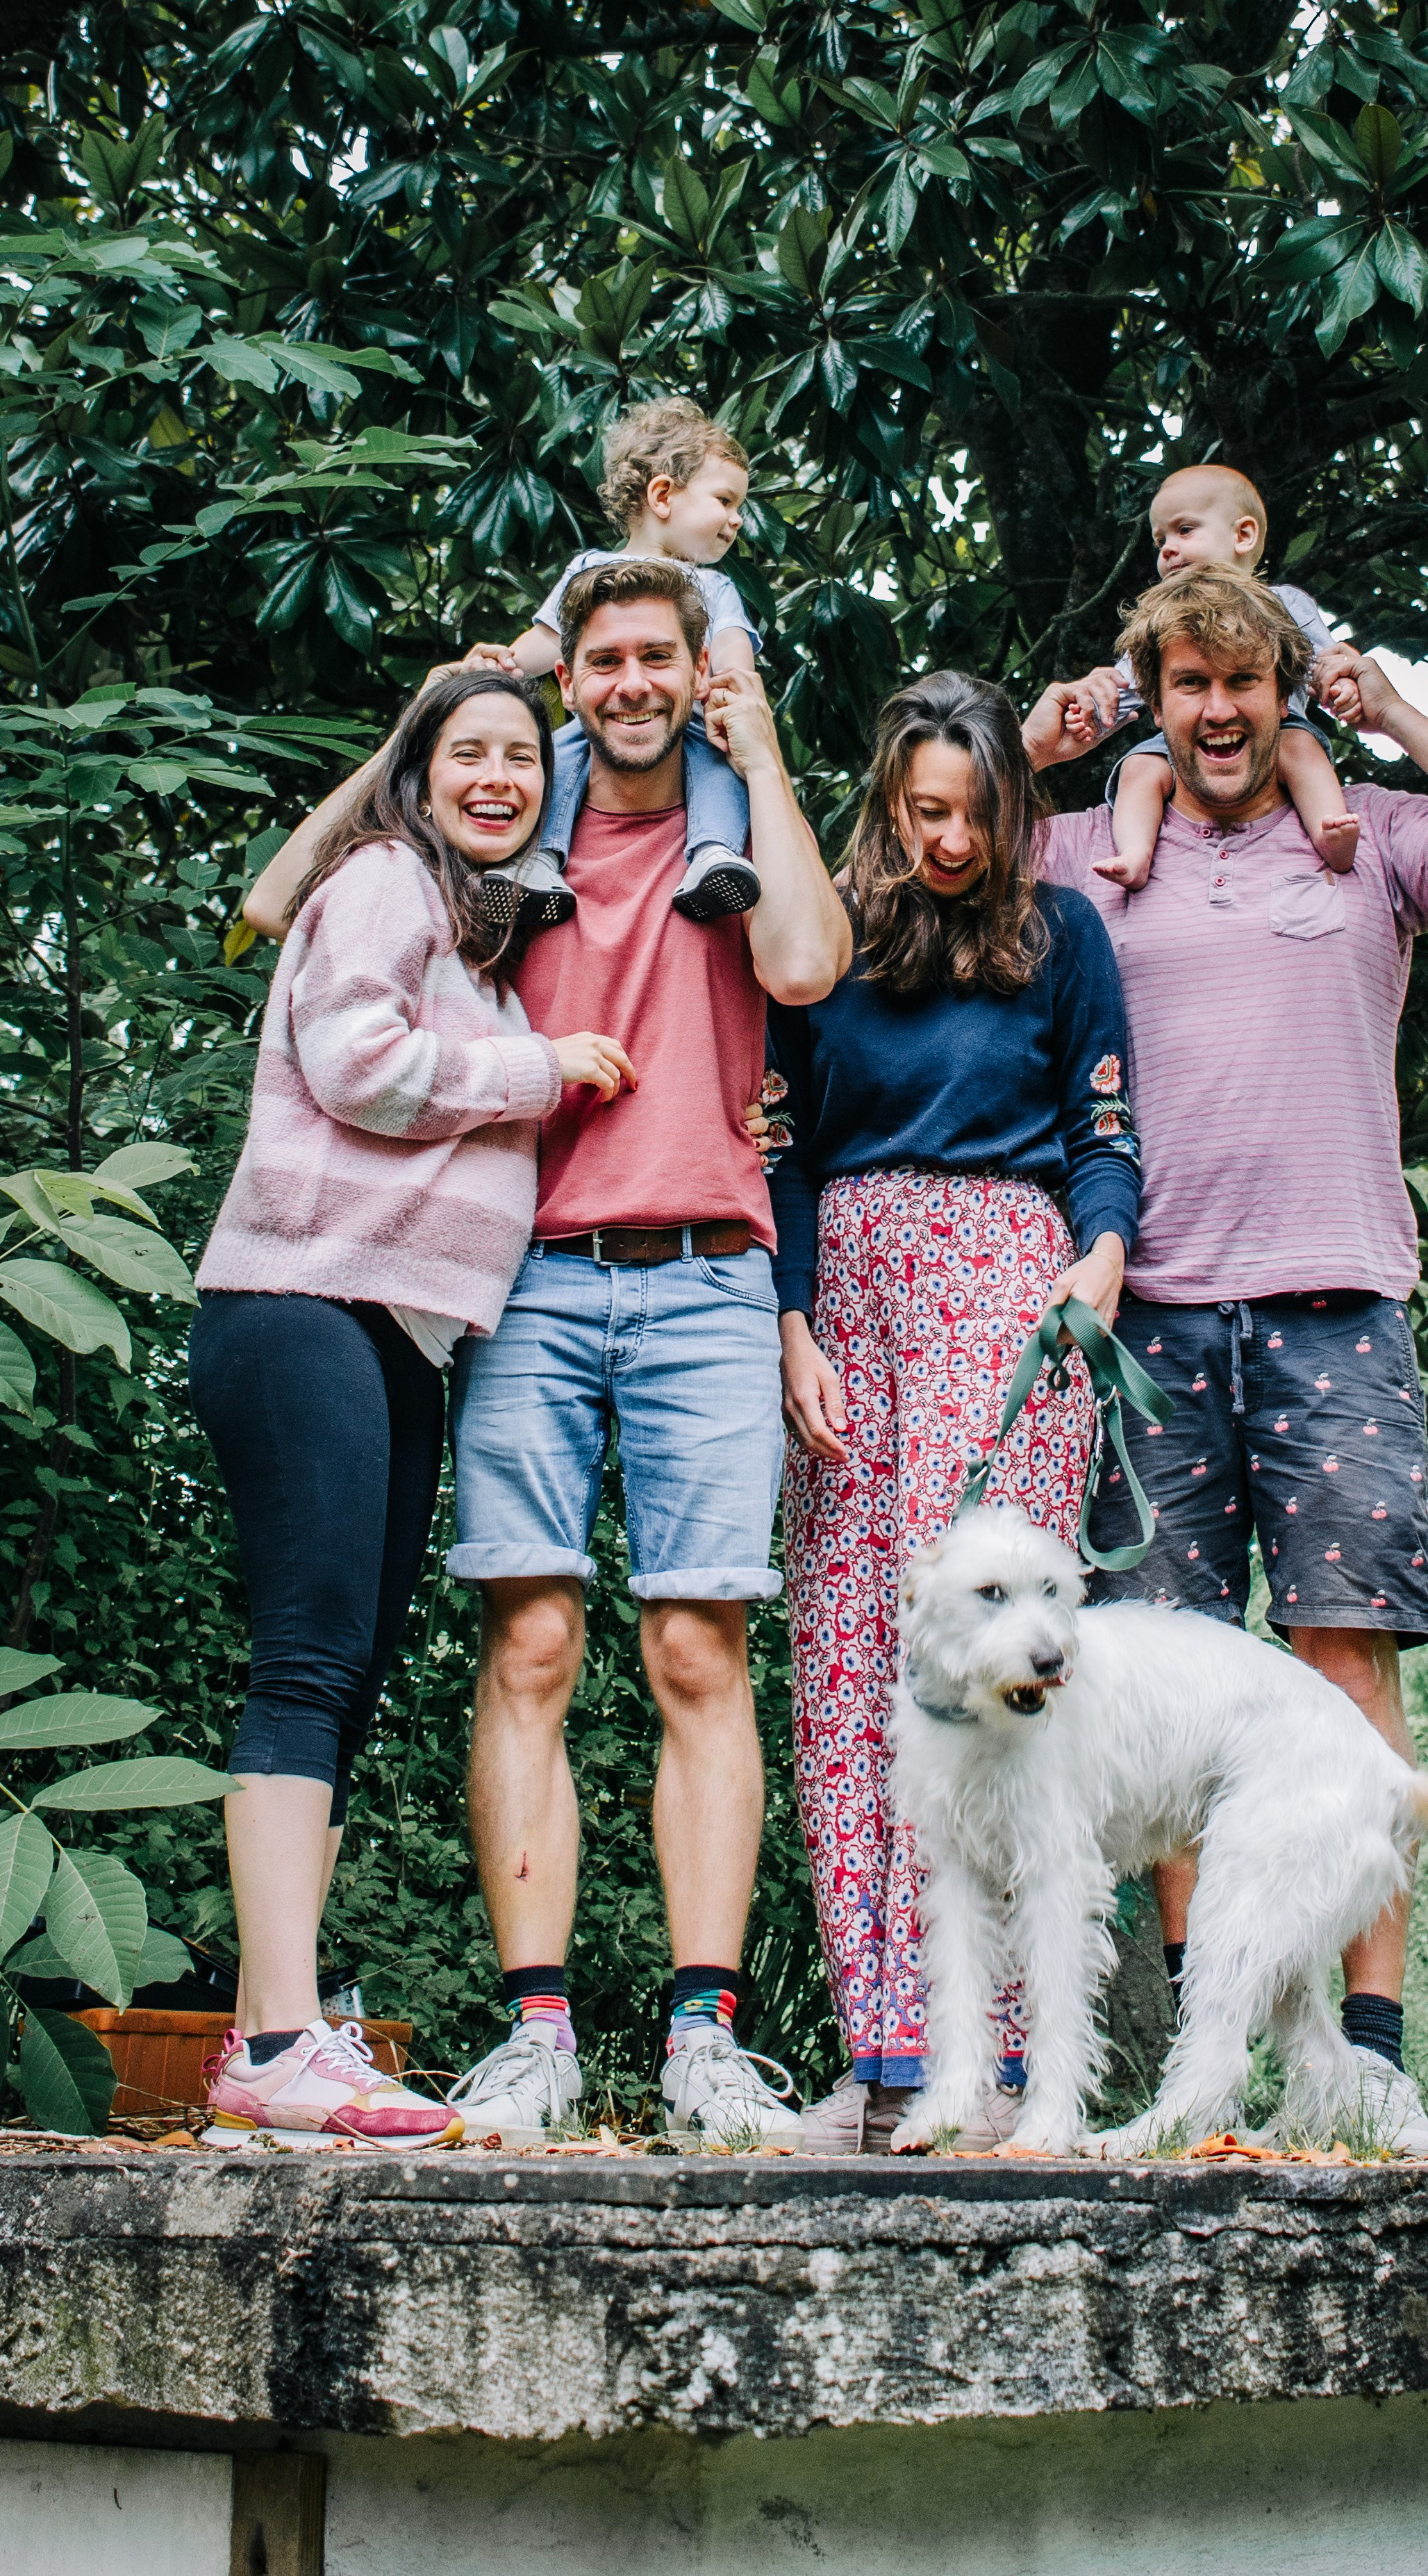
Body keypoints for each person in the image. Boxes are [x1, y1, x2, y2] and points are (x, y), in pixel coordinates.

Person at [1023, 563, 1428, 2153]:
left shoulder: (1369, 839)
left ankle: (1368, 2052)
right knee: (1168, 1696)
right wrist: (1049, 738)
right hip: (1146, 1316)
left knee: (1343, 1671)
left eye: (1240, 683)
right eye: (1186, 685)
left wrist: (1385, 707)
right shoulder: (1086, 849)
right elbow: (926, 834)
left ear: (1280, 693)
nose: (1216, 711)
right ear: (1153, 701)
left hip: (1333, 1300)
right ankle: (1207, 2065)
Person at [427, 553, 850, 2148]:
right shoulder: (507, 834)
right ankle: (534, 2032)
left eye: (653, 657)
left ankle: (702, 2039)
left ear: (697, 667)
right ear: (569, 674)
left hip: (709, 1279)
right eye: (600, 658)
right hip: (530, 1274)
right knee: (530, 1642)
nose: (626, 683)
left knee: (694, 1652)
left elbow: (803, 966)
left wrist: (763, 750)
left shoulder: (733, 832)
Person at [194, 671, 626, 2150]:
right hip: (299, 1303)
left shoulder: (475, 929)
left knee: (347, 1673)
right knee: (308, 1662)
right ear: (419, 772)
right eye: (469, 752)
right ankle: (276, 2039)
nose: (498, 776)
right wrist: (539, 1071)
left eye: (521, 756)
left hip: (392, 1328)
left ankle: (272, 2036)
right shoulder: (384, 877)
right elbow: (354, 1062)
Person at [768, 670, 1141, 2154]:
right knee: (846, 1653)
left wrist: (1100, 1251)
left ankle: (999, 2063)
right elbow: (782, 1143)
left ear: (1014, 806)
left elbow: (1104, 1125)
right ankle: (882, 2055)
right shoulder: (829, 937)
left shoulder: (1062, 932)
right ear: (885, 798)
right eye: (923, 810)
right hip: (849, 1291)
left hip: (1005, 1281)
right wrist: (791, 1318)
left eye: (976, 813)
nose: (948, 839)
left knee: (990, 1669)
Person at [472, 395, 763, 923]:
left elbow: (731, 650)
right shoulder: (588, 571)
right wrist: (500, 667)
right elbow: (546, 642)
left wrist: (732, 683)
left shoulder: (713, 586)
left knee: (718, 767)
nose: (736, 519)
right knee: (555, 757)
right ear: (662, 495)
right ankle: (538, 860)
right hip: (599, 725)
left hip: (687, 725)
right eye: (725, 500)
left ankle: (713, 854)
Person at [1060, 464, 1361, 891]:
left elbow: (1323, 663)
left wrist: (1341, 686)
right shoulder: (1161, 621)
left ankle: (1331, 831)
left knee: (1300, 747)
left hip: (1279, 728)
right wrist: (1090, 712)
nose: (1168, 549)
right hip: (1182, 741)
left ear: (1243, 535)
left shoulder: (1283, 604)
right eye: (1160, 540)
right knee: (1139, 768)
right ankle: (1134, 853)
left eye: (1185, 530)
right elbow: (1124, 690)